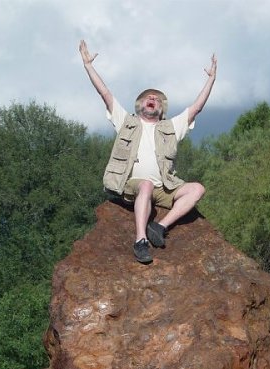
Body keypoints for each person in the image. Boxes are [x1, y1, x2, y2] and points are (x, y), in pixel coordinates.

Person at [79, 40, 217, 264]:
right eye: (148, 98)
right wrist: (88, 66)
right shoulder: (126, 121)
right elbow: (105, 93)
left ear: (161, 110)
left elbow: (196, 108)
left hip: (164, 188)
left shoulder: (171, 128)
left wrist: (211, 78)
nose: (152, 99)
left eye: (157, 100)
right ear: (139, 106)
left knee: (197, 189)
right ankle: (141, 240)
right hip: (133, 184)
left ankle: (159, 226)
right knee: (145, 184)